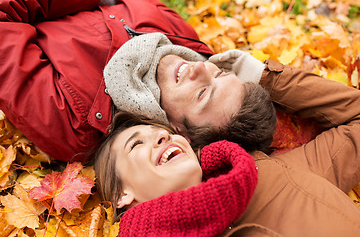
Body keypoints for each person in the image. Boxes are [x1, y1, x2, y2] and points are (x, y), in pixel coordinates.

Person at [95, 56, 360, 236]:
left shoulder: (279, 174)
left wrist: (266, 77)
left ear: (186, 140)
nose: (161, 138)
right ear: (121, 195)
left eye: (220, 73)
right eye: (136, 144)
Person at [0, 0, 276, 162]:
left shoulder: (74, 125)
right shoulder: (183, 39)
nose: (199, 69)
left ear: (177, 131)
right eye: (220, 73)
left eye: (202, 94)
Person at [95, 111, 259, 236]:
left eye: (162, 131)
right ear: (120, 194)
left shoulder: (261, 169)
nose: (164, 135)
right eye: (136, 144)